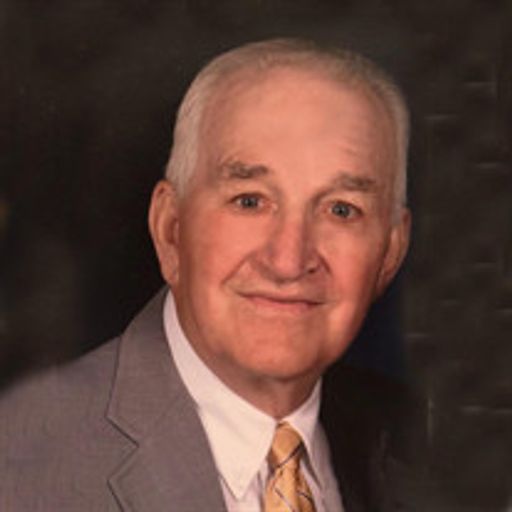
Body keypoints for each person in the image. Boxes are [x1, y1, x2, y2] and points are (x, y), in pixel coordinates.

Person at [0, 38, 418, 511]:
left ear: (391, 252)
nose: (289, 260)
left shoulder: (421, 446)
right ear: (171, 229)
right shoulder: (21, 466)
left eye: (341, 209)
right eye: (250, 201)